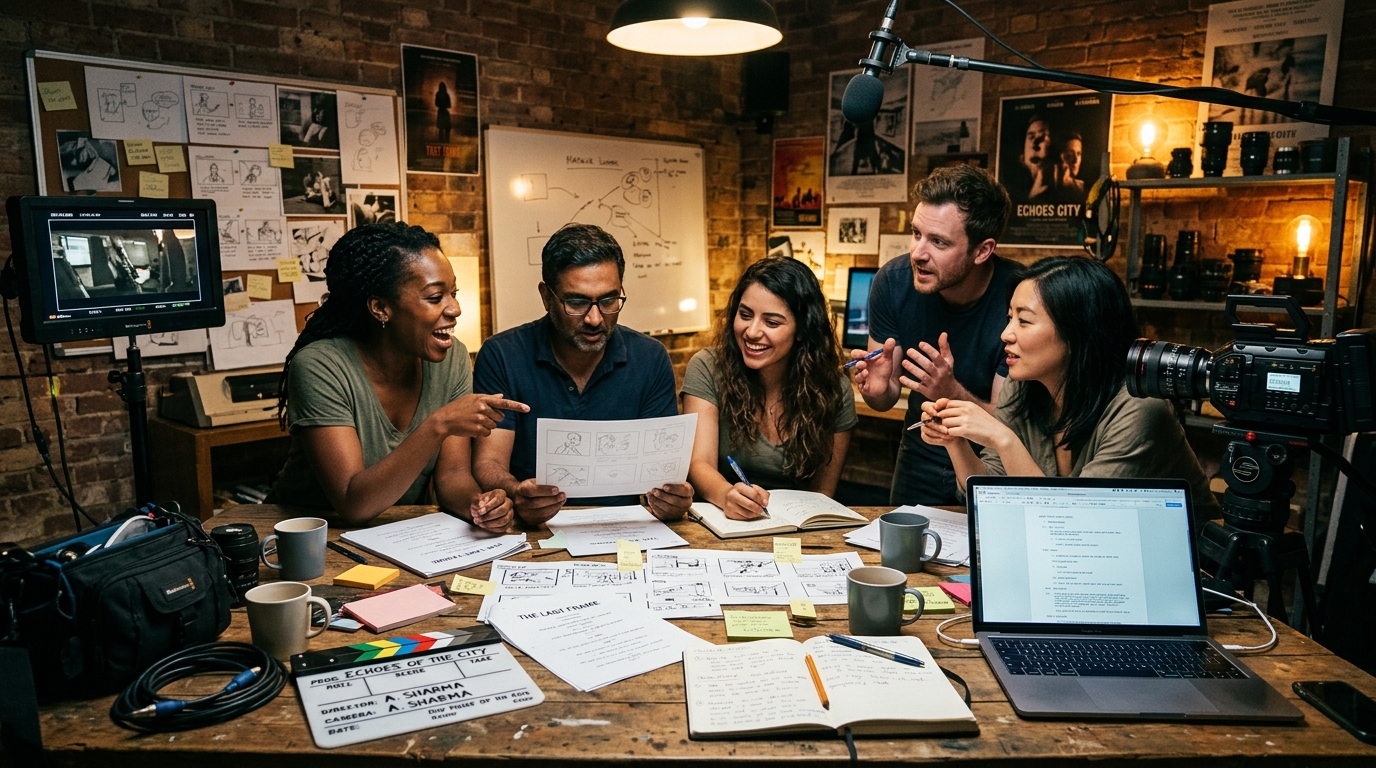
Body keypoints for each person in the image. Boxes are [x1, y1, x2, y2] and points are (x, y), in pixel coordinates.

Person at [919, 256, 1221, 525]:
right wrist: (955, 442)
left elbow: (1076, 525)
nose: (1006, 334)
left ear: (1078, 333)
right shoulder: (1022, 387)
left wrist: (1003, 439)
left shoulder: (1140, 408)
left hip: (1181, 570)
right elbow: (989, 498)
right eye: (1009, 317)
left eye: (1024, 321)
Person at [267, 222, 529, 528]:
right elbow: (353, 502)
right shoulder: (320, 366)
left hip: (395, 534)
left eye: (453, 293)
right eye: (435, 298)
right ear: (380, 307)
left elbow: (453, 475)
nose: (455, 308)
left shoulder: (452, 357)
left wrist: (480, 506)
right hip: (307, 536)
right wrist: (439, 423)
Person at [472, 223, 693, 525]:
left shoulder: (650, 357)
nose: (594, 318)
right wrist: (515, 492)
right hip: (534, 527)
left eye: (608, 300)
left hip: (625, 526)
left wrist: (670, 499)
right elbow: (489, 462)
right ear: (546, 297)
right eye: (576, 302)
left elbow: (660, 473)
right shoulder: (502, 355)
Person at [850, 163, 1018, 506]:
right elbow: (884, 398)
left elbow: (1007, 427)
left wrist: (951, 392)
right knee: (904, 555)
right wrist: (878, 389)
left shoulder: (1018, 299)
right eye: (916, 234)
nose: (918, 253)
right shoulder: (893, 281)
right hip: (920, 447)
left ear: (982, 251)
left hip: (994, 461)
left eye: (938, 242)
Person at [683, 257, 855, 520]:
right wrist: (728, 496)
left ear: (801, 330)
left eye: (772, 323)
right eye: (745, 315)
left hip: (797, 526)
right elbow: (699, 464)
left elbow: (823, 494)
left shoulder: (834, 388)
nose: (752, 332)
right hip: (721, 519)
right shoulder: (708, 367)